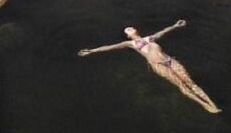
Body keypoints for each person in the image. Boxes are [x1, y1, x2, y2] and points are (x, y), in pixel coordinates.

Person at [78, 20, 221, 114]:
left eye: (131, 27)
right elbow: (109, 47)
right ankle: (203, 104)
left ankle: (212, 103)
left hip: (170, 61)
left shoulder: (150, 38)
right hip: (158, 65)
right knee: (181, 85)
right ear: (128, 37)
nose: (130, 29)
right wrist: (92, 51)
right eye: (127, 30)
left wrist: (175, 26)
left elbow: (163, 31)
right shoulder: (130, 44)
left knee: (190, 82)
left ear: (136, 30)